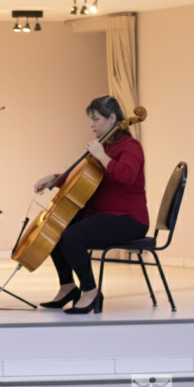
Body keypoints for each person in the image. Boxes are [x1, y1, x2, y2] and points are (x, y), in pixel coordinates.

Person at [35, 95, 148, 314]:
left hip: (128, 219)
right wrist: (55, 178)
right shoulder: (105, 145)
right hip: (103, 214)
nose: (91, 124)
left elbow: (126, 176)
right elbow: (84, 177)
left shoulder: (130, 146)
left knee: (72, 236)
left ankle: (90, 292)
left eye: (96, 119)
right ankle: (68, 287)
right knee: (54, 227)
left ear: (112, 118)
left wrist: (102, 156)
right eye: (91, 119)